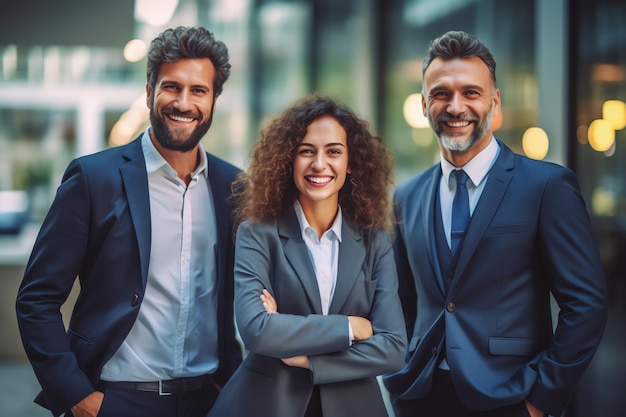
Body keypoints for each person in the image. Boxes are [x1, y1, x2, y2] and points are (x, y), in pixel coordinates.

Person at [15, 26, 242, 417]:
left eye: (198, 90)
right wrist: (78, 398)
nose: (183, 102)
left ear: (214, 100)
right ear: (150, 91)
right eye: (172, 87)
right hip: (116, 401)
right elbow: (37, 299)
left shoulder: (234, 188)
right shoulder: (93, 179)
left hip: (210, 399)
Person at [383, 30, 609, 417]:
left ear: (495, 101)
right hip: (420, 398)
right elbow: (403, 301)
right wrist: (403, 369)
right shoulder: (407, 196)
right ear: (423, 104)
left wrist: (540, 401)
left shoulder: (546, 187)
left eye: (471, 92)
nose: (456, 107)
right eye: (441, 94)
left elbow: (585, 305)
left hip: (511, 397)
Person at [207, 94, 407, 417]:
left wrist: (304, 356)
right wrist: (349, 328)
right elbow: (256, 329)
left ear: (350, 162)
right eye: (306, 151)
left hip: (353, 406)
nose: (319, 164)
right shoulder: (257, 233)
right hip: (266, 405)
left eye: (333, 152)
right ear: (290, 159)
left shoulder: (374, 241)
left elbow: (393, 348)